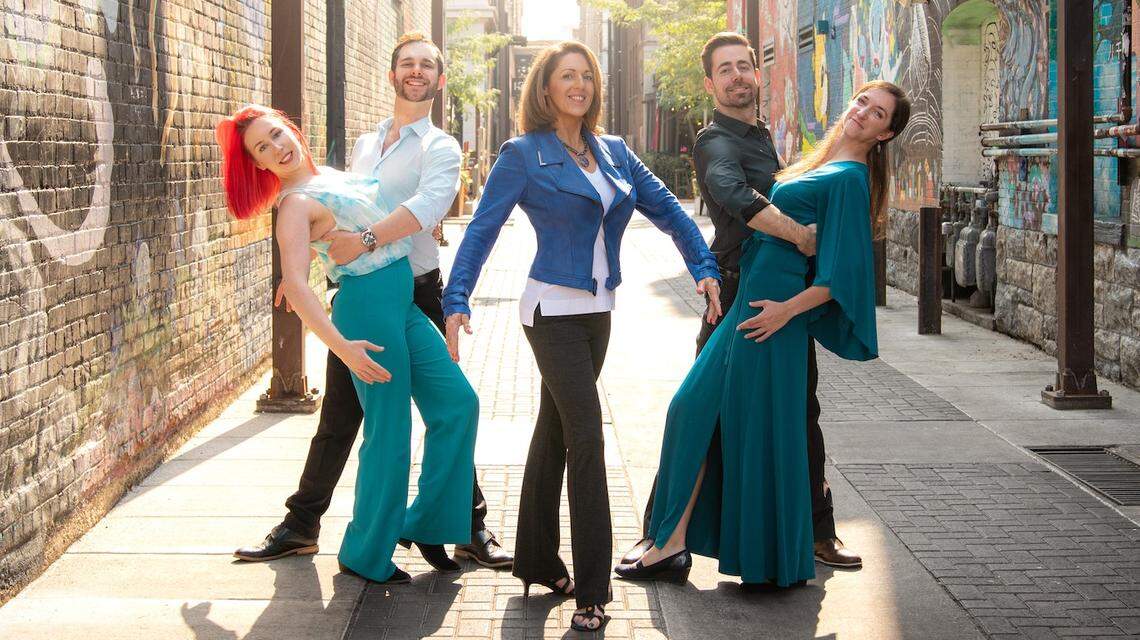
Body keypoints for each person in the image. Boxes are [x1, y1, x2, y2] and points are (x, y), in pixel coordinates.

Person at [440, 41, 721, 631]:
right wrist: (457, 298)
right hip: (550, 313)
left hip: (599, 313)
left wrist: (703, 268)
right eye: (567, 76)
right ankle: (593, 588)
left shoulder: (613, 151)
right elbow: (482, 232)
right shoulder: (523, 154)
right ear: (545, 90)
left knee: (554, 433)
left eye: (587, 76)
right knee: (587, 437)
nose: (580, 85)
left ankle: (537, 559)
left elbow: (669, 209)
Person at [233, 33, 512, 572]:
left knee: (456, 406)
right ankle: (347, 544)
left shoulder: (436, 147)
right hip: (366, 305)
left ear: (439, 79)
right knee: (369, 426)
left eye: (277, 135)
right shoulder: (355, 152)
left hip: (413, 291)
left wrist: (327, 260)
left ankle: (439, 522)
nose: (277, 147)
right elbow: (310, 238)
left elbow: (418, 207)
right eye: (262, 148)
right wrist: (306, 288)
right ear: (391, 74)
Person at [615, 80, 911, 588]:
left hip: (772, 315)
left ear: (885, 135)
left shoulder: (849, 179)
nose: (863, 112)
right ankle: (673, 541)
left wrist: (784, 313)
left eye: (878, 113)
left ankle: (701, 549)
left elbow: (837, 277)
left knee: (747, 430)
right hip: (748, 303)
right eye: (862, 100)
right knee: (695, 411)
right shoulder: (815, 163)